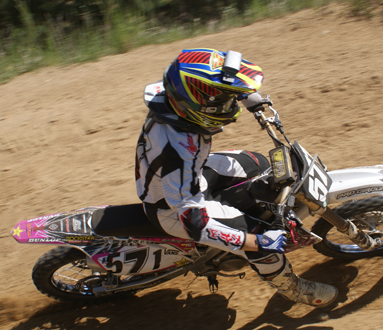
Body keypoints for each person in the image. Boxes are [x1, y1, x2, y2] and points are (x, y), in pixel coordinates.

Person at [135, 48, 337, 307]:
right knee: (263, 236)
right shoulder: (179, 150)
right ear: (200, 103)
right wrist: (255, 241)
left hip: (188, 176)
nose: (230, 105)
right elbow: (193, 222)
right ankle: (294, 289)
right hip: (174, 210)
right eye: (224, 101)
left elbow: (216, 86)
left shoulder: (172, 97)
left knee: (258, 163)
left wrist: (251, 100)